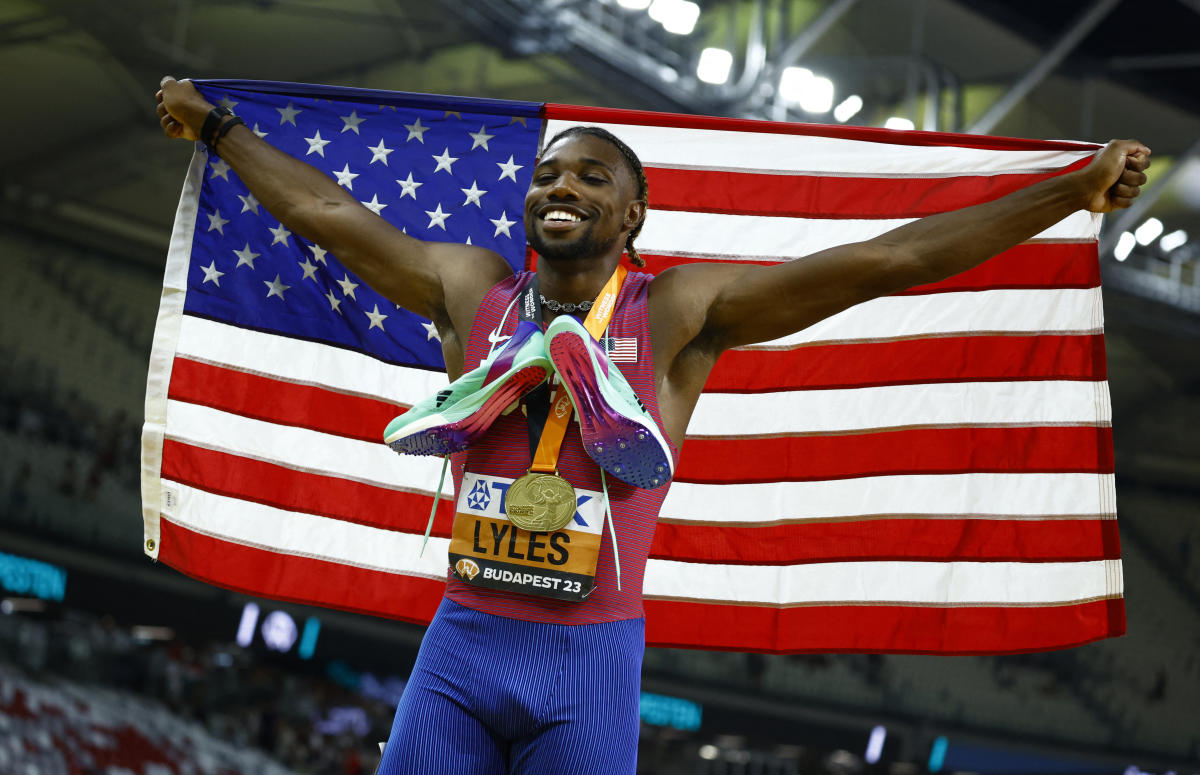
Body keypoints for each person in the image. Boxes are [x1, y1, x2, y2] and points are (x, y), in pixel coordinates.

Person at [156, 76, 1149, 774]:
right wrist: (220, 131)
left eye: (591, 180)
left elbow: (882, 264)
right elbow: (331, 214)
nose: (561, 188)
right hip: (463, 640)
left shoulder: (676, 313)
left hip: (587, 663)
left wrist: (1067, 192)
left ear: (632, 217)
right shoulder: (472, 284)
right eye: (549, 176)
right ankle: (511, 388)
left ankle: (585, 395)